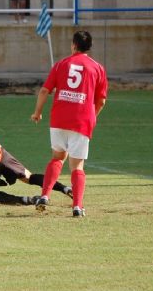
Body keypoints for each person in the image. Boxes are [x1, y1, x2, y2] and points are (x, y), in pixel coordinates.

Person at [31, 30, 108, 217]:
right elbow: (102, 100)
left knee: (57, 158)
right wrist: (93, 116)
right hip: (82, 121)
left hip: (59, 119)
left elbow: (44, 91)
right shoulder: (97, 68)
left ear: (73, 45)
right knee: (77, 166)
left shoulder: (61, 65)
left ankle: (44, 196)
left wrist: (37, 112)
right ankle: (77, 207)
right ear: (89, 47)